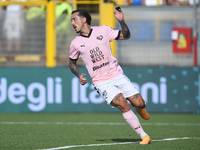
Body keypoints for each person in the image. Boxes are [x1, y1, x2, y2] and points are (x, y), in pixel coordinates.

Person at [69, 7, 151, 144]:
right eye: (71, 20)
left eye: (74, 19)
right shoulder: (75, 43)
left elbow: (126, 35)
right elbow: (72, 63)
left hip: (117, 75)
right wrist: (78, 74)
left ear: (84, 20)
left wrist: (121, 21)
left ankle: (140, 108)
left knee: (139, 102)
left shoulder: (103, 30)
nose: (72, 23)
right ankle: (144, 136)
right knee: (123, 104)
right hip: (101, 82)